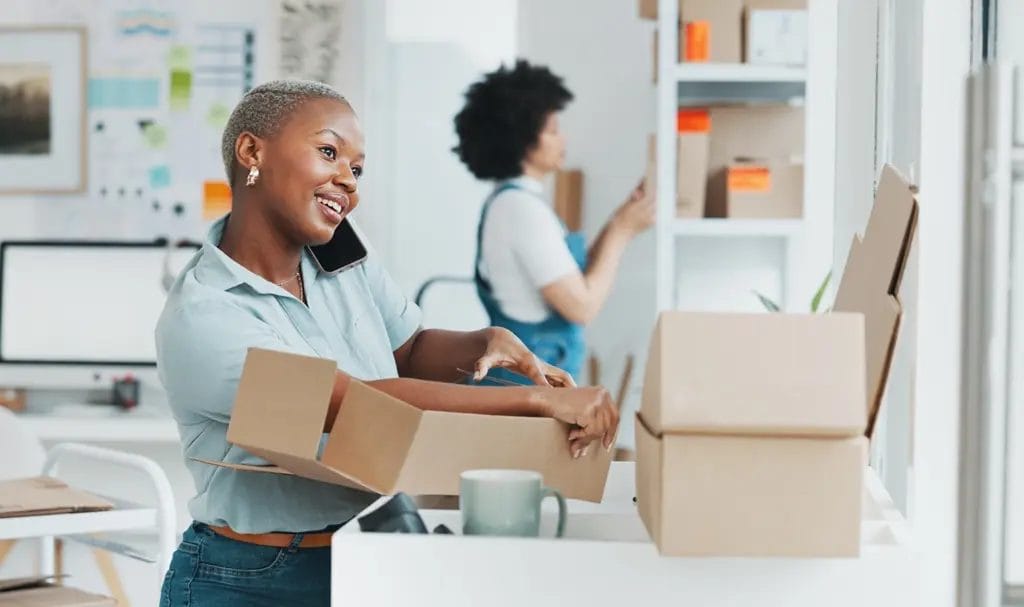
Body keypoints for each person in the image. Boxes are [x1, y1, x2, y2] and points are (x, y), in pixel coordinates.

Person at [156, 79, 619, 607]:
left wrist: (483, 342)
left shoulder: (339, 252)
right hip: (251, 579)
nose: (347, 182)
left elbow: (410, 349)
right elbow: (353, 404)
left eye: (356, 169)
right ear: (251, 150)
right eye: (329, 152)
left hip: (366, 552)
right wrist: (536, 400)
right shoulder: (207, 313)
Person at [453, 59, 655, 385]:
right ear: (522, 139)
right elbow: (581, 305)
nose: (563, 139)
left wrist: (620, 220)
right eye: (552, 130)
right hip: (523, 392)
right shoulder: (519, 210)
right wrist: (622, 230)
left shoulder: (515, 203)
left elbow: (576, 277)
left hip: (529, 389)